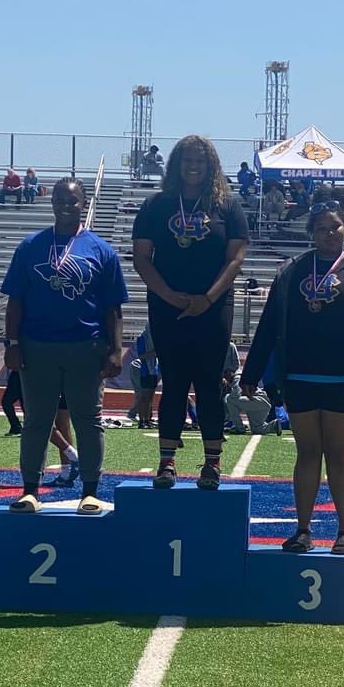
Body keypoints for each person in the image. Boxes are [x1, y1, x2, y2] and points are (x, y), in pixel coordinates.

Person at [240, 198, 344, 554]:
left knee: (339, 455)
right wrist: (253, 370)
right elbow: (269, 324)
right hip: (301, 379)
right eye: (321, 228)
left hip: (343, 380)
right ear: (311, 233)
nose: (329, 233)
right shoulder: (291, 271)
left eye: (335, 226)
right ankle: (303, 530)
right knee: (307, 454)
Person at [2, 176, 127, 514]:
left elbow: (113, 307)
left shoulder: (102, 250)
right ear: (52, 202)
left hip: (85, 347)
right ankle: (30, 489)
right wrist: (12, 343)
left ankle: (90, 489)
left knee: (88, 419)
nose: (66, 205)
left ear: (83, 204)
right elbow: (15, 300)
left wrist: (115, 350)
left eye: (72, 200)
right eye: (60, 198)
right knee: (37, 421)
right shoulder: (30, 246)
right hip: (37, 346)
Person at [132, 134, 249, 489]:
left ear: (211, 165)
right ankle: (166, 461)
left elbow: (236, 259)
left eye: (200, 160)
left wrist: (208, 299)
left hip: (213, 307)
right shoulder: (156, 205)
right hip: (168, 307)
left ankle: (212, 462)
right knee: (174, 381)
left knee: (210, 383)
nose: (194, 166)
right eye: (187, 160)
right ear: (176, 165)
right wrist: (170, 295)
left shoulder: (228, 206)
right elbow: (141, 259)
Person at [223, 342, 281, 436]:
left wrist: (233, 415)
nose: (226, 377)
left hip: (258, 401)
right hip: (259, 403)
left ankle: (239, 427)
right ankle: (274, 425)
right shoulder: (236, 379)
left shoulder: (237, 378)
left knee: (229, 399)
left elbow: (235, 397)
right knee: (258, 429)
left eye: (226, 374)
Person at [131, 324, 159, 428]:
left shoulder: (156, 338)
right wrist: (154, 352)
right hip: (145, 370)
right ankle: (142, 420)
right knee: (144, 396)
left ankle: (147, 419)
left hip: (154, 369)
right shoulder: (142, 338)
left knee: (150, 397)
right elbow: (141, 356)